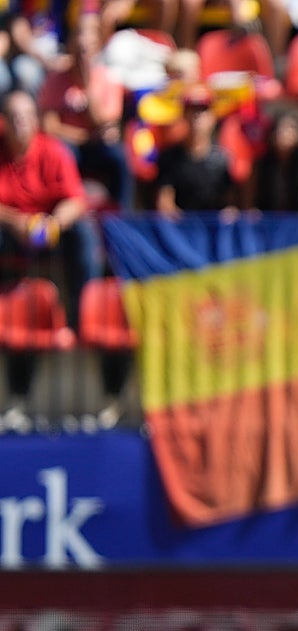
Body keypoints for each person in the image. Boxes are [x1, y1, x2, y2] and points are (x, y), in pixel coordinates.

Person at [0, 89, 100, 432]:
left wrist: (53, 223)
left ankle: (82, 317)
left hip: (51, 233)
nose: (22, 124)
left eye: (28, 116)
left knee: (84, 234)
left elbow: (76, 200)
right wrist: (16, 222)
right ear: (4, 122)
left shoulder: (54, 151)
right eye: (15, 118)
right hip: (10, 233)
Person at [38, 11, 131, 210]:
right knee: (63, 152)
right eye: (79, 45)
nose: (83, 52)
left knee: (119, 156)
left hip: (96, 147)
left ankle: (123, 214)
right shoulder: (56, 80)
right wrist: (86, 137)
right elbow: (49, 127)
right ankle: (64, 208)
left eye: (88, 46)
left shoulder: (108, 79)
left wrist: (88, 85)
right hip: (69, 145)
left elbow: (105, 125)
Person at [154, 84, 236, 216]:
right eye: (192, 110)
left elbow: (230, 204)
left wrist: (227, 215)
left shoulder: (222, 159)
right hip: (181, 226)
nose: (197, 116)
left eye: (203, 110)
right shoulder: (170, 157)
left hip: (213, 227)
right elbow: (165, 203)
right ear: (183, 115)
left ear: (212, 117)